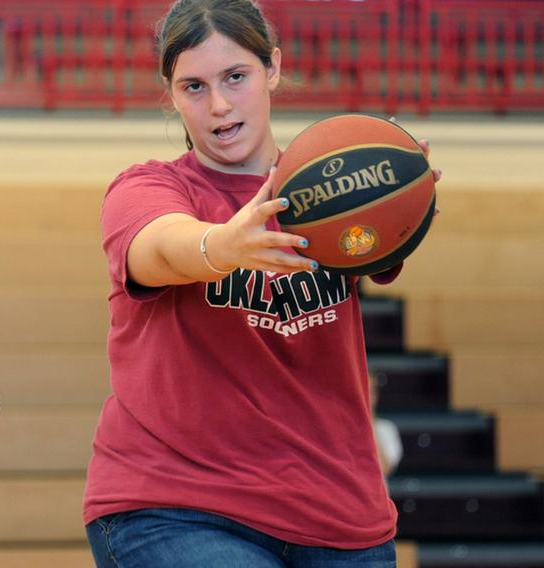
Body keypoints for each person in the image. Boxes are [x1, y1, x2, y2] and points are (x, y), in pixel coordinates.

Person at [82, 1, 440, 566]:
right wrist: (222, 246)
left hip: (341, 511)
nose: (219, 104)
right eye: (193, 86)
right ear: (171, 94)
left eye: (236, 77)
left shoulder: (331, 187)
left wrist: (402, 200)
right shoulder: (147, 188)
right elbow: (158, 248)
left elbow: (376, 245)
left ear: (272, 68)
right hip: (176, 505)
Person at [369, 372, 404, 476]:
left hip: (376, 491)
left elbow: (384, 468)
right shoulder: (341, 428)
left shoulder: (387, 428)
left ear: (376, 396)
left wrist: (369, 423)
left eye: (370, 391)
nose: (365, 396)